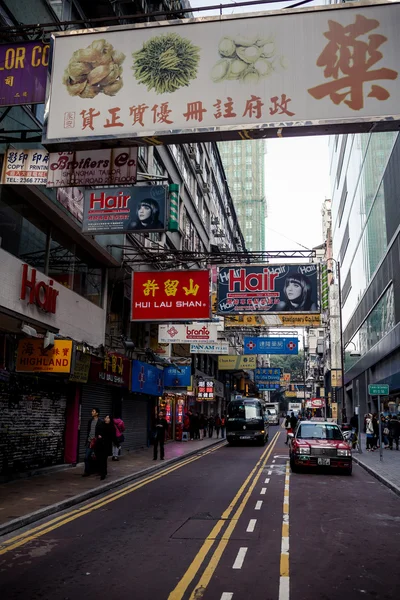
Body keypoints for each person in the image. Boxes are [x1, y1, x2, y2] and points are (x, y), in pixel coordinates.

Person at [82, 407, 101, 477]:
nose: (91, 412)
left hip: (97, 443)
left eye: (93, 411)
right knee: (86, 457)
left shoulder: (100, 422)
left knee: (98, 458)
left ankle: (99, 471)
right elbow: (88, 431)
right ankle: (87, 472)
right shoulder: (90, 421)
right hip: (90, 442)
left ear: (97, 413)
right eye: (92, 411)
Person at [96, 415, 113, 480]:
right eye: (106, 417)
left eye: (108, 418)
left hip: (106, 446)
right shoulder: (101, 425)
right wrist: (98, 435)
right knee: (100, 459)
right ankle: (102, 471)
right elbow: (97, 432)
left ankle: (103, 473)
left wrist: (117, 444)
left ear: (110, 419)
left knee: (103, 459)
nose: (106, 419)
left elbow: (112, 436)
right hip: (99, 445)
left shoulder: (111, 427)